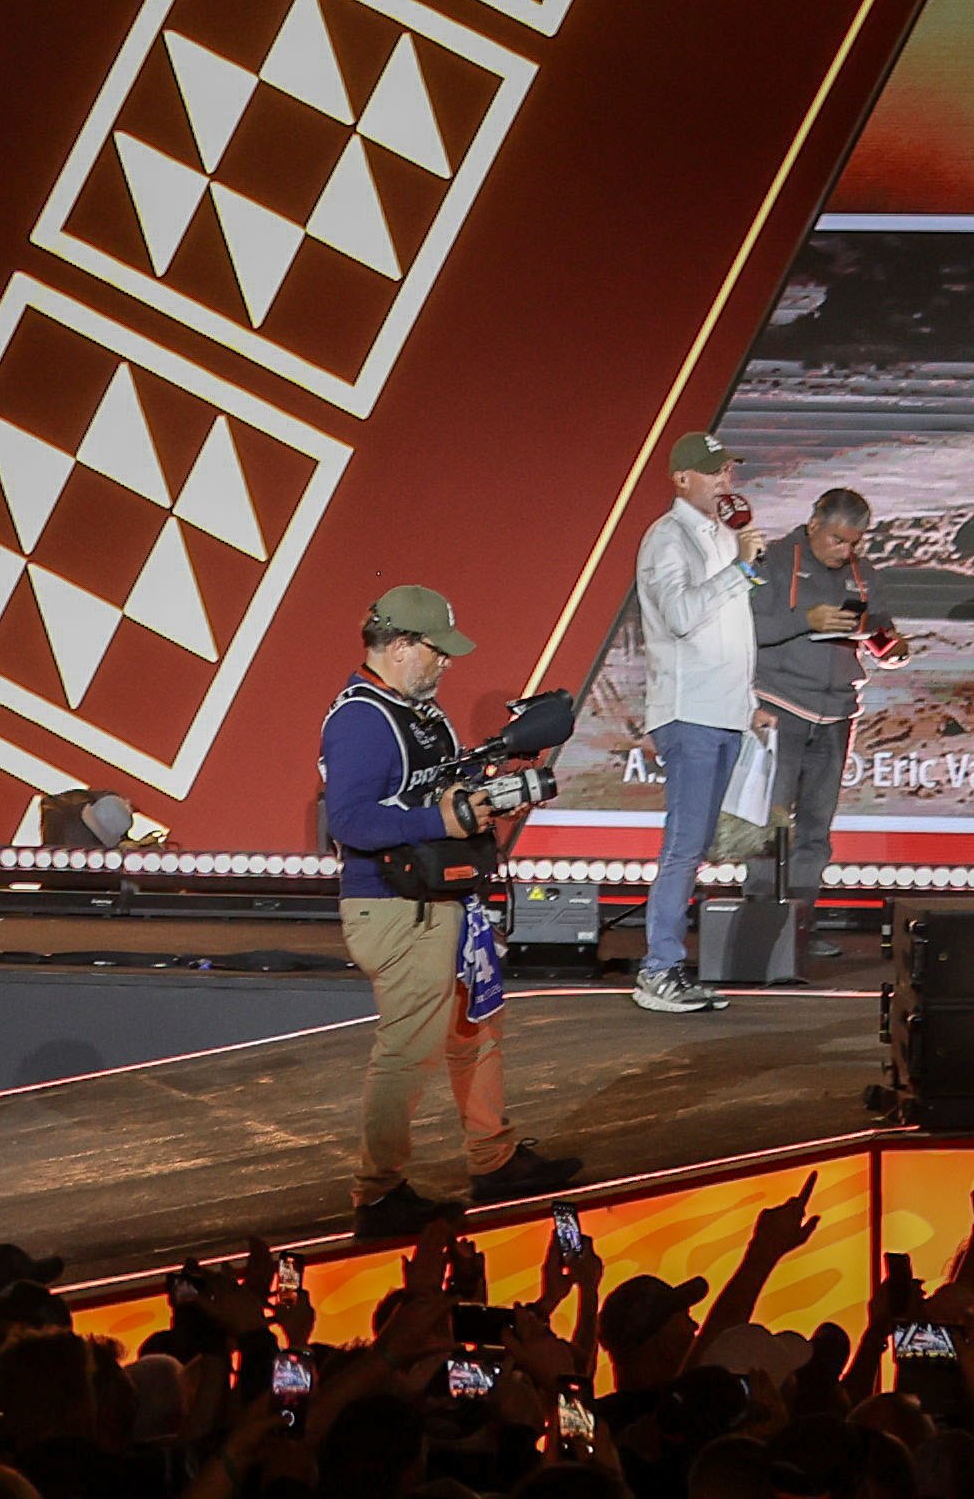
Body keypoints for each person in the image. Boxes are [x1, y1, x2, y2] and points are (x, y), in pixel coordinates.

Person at [314, 581, 574, 1234]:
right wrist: (442, 819)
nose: (446, 663)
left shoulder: (422, 715)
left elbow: (434, 797)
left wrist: (484, 797)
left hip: (443, 901)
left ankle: (495, 1158)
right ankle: (378, 1195)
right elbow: (350, 821)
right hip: (396, 908)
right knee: (408, 1050)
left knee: (476, 1030)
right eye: (438, 650)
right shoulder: (361, 719)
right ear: (400, 646)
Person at [698, 483, 895, 989]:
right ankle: (761, 922)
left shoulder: (863, 573)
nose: (845, 551)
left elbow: (878, 628)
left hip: (838, 712)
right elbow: (744, 628)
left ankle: (800, 924)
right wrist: (805, 619)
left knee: (815, 827)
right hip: (779, 707)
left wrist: (889, 646)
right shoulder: (774, 561)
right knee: (771, 825)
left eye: (854, 543)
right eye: (837, 540)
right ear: (813, 525)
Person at [624, 435, 757, 1014]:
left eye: (727, 468)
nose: (725, 479)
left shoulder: (723, 536)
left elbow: (731, 629)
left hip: (726, 712)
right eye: (712, 471)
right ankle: (659, 969)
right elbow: (679, 616)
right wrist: (741, 568)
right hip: (690, 712)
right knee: (684, 846)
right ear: (681, 479)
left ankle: (671, 966)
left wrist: (751, 700)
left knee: (699, 844)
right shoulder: (666, 538)